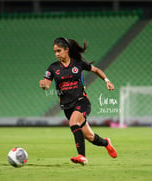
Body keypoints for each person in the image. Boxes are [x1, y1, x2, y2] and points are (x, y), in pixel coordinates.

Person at [39, 37, 117, 165]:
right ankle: (106, 143)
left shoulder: (78, 63)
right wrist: (43, 85)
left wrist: (107, 81)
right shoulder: (52, 68)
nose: (57, 54)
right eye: (55, 52)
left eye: (59, 50)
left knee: (73, 123)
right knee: (90, 137)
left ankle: (82, 156)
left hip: (82, 102)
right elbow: (46, 85)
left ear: (66, 49)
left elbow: (96, 70)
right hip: (67, 107)